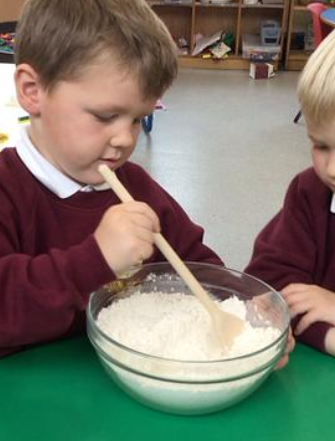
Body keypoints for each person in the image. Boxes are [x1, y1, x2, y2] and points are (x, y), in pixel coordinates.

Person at [0, 0, 225, 359]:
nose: (125, 139)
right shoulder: (8, 188)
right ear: (32, 91)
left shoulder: (134, 187)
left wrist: (240, 307)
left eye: (138, 119)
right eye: (106, 115)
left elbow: (195, 262)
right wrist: (95, 259)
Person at [245, 11, 335, 386]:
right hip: (311, 378)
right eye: (320, 144)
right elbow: (268, 288)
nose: (334, 168)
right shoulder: (311, 191)